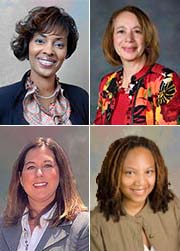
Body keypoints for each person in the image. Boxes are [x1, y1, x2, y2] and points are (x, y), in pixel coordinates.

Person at [0, 6, 89, 125]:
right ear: (28, 45)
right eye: (40, 41)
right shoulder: (2, 99)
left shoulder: (80, 98)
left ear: (66, 51)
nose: (49, 51)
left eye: (59, 44)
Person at [91, 135, 180, 251]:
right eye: (130, 173)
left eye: (148, 172)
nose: (141, 182)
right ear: (114, 174)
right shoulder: (95, 226)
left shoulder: (172, 206)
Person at [94, 5, 180, 125]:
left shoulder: (165, 80)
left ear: (146, 38)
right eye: (121, 31)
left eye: (137, 31)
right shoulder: (107, 83)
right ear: (111, 38)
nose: (129, 39)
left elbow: (167, 135)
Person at [0, 137, 89, 251]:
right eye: (31, 167)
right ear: (21, 178)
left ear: (61, 173)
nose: (39, 173)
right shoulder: (3, 226)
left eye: (47, 165)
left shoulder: (83, 226)